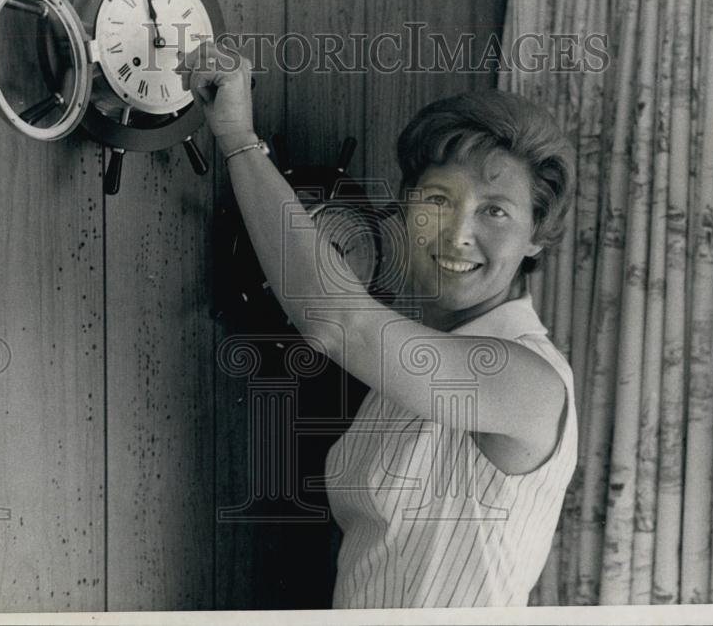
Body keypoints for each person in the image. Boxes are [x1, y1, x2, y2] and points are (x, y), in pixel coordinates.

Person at [180, 42, 578, 608]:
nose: (457, 233)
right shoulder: (417, 354)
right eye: (439, 199)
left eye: (495, 210)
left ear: (537, 235)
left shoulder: (527, 380)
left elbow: (337, 320)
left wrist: (238, 138)